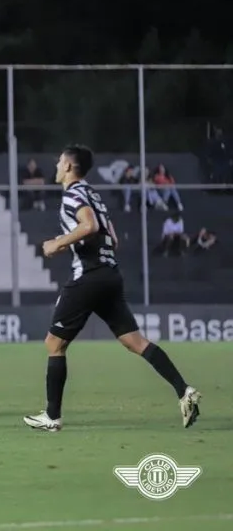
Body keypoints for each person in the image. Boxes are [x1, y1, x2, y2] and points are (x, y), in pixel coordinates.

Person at [23, 145, 201, 432]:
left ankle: (52, 417)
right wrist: (74, 241)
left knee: (54, 343)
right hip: (109, 274)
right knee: (135, 342)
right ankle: (184, 391)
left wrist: (58, 243)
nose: (56, 166)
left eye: (59, 162)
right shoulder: (93, 194)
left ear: (68, 167)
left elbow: (89, 226)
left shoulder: (73, 194)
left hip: (89, 276)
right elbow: (112, 238)